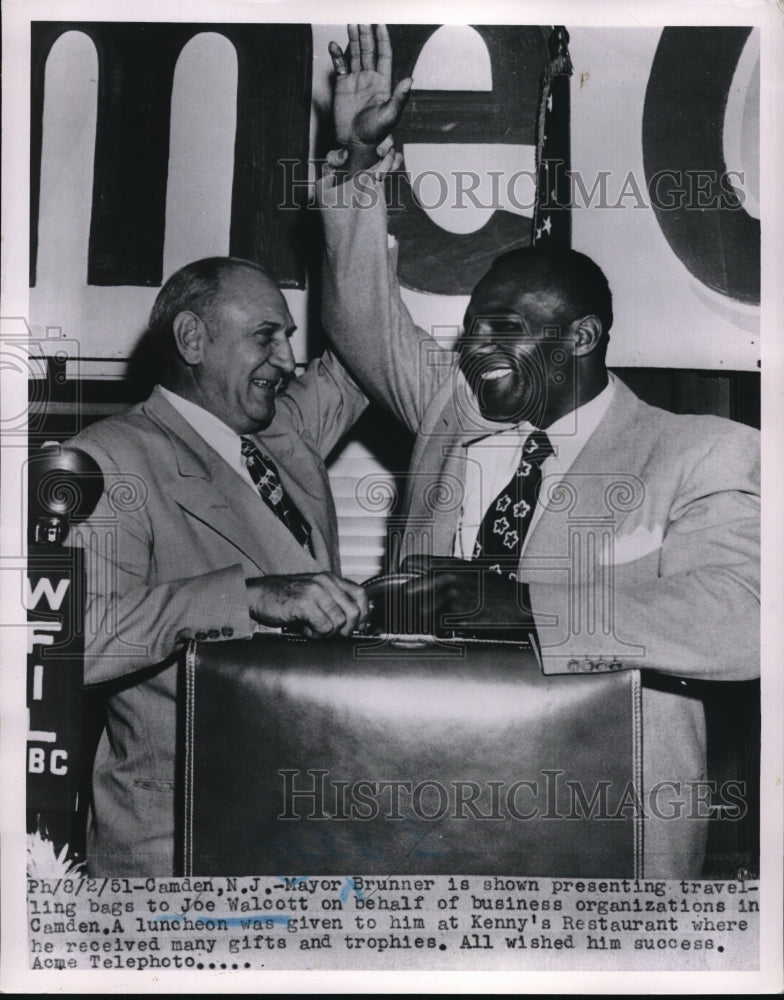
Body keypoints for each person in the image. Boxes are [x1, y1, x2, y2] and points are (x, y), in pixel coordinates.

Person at [318, 25, 760, 876]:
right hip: (420, 819)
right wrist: (357, 160)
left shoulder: (700, 453)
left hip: (596, 847)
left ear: (584, 337)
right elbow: (359, 318)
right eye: (475, 324)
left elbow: (743, 621)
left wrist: (523, 603)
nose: (476, 346)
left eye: (507, 328)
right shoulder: (456, 408)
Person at [68, 256, 369, 875]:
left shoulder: (286, 428)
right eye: (267, 336)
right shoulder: (108, 456)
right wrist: (247, 597)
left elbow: (367, 349)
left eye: (287, 337)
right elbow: (75, 640)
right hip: (174, 850)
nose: (288, 361)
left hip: (304, 833)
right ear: (191, 338)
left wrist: (355, 192)